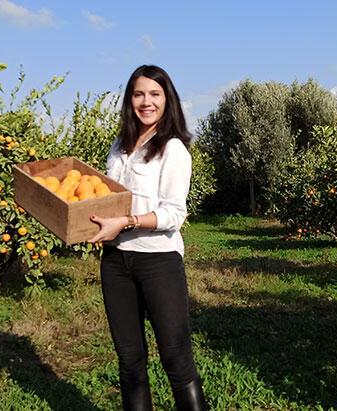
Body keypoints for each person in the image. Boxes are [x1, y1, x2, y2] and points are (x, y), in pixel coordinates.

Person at [88, 65, 207, 411]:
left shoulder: (173, 149)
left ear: (167, 100)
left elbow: (173, 213)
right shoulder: (118, 147)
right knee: (129, 359)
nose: (146, 102)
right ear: (130, 100)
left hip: (158, 261)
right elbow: (106, 199)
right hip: (116, 262)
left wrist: (125, 222)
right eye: (139, 94)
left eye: (155, 94)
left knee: (175, 357)